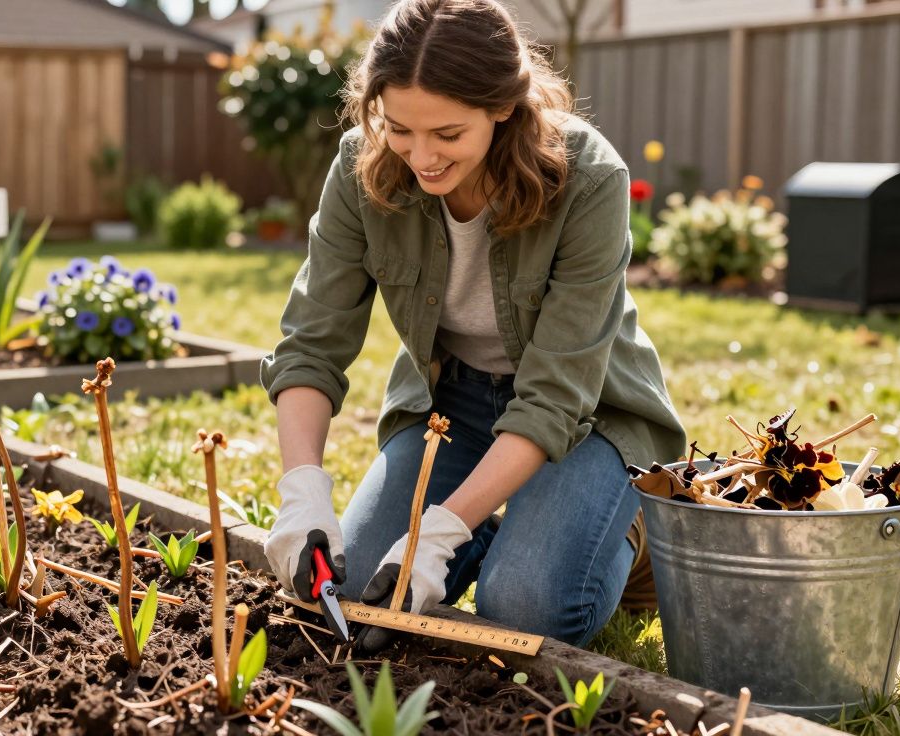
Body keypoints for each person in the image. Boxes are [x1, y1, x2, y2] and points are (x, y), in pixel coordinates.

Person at [258, 0, 687, 649]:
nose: (420, 157)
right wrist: (303, 489)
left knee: (526, 605)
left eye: (448, 135)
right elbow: (310, 345)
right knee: (351, 590)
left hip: (591, 415)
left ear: (503, 106)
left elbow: (553, 397)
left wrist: (440, 532)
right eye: (399, 128)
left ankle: (629, 530)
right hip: (449, 405)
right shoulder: (359, 169)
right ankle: (492, 524)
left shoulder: (589, 178)